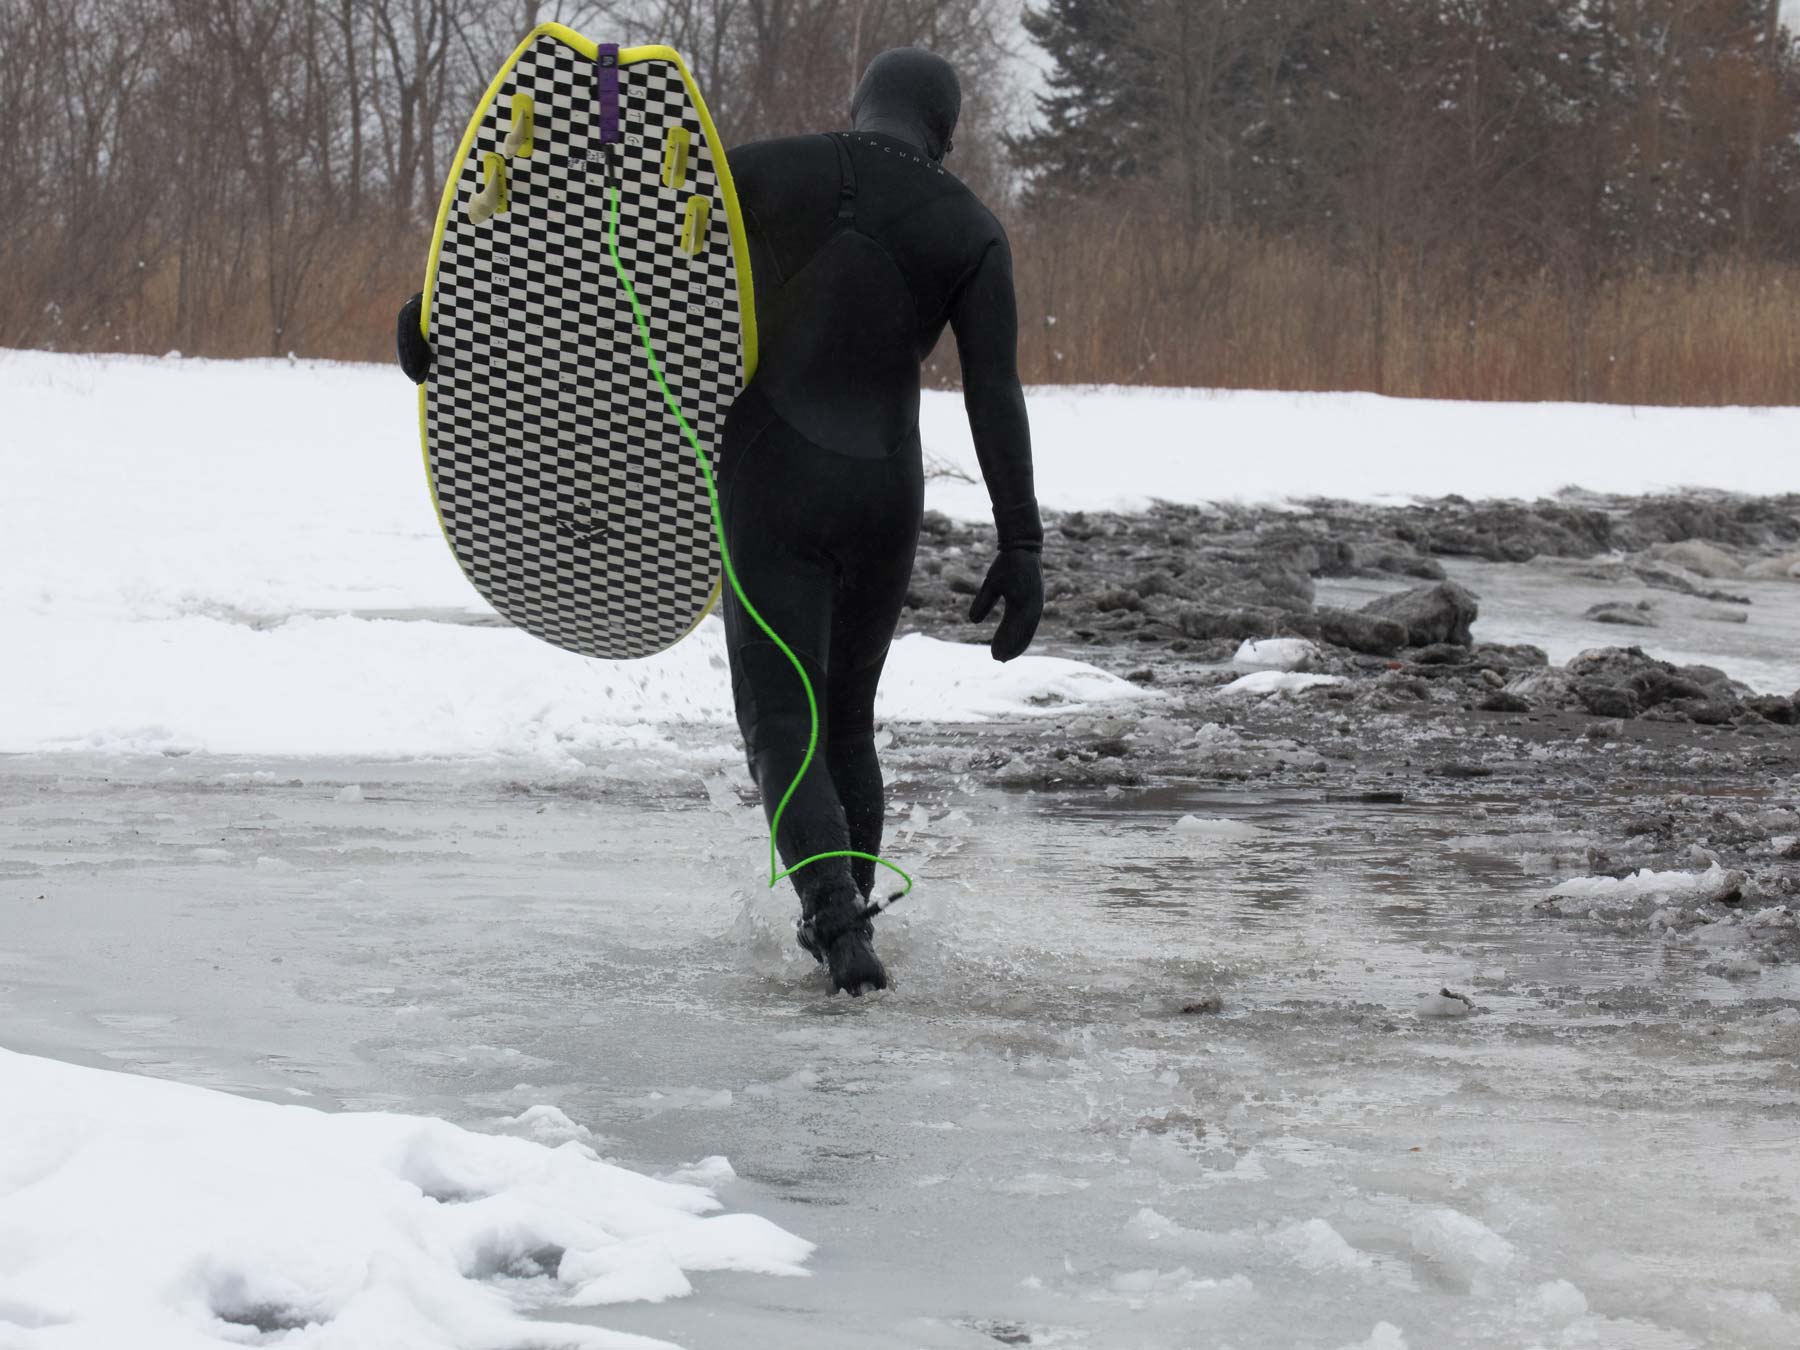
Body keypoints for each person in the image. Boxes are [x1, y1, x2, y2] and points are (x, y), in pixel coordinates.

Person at [397, 47, 1043, 998]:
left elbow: (596, 249)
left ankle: (834, 925)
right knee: (848, 725)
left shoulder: (763, 170)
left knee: (782, 723)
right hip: (886, 494)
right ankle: (851, 915)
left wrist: (445, 314)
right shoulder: (971, 227)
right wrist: (1021, 542)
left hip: (773, 473)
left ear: (857, 101)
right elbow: (996, 391)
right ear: (946, 133)